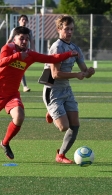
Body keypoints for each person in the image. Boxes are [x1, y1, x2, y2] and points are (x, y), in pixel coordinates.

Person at [0, 26, 79, 161]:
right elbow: (0, 63)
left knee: (19, 117)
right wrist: (17, 56)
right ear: (14, 39)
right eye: (21, 38)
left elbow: (51, 58)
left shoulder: (30, 54)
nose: (24, 41)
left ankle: (5, 143)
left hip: (12, 94)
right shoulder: (7, 48)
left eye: (27, 39)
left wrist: (69, 54)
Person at [39, 15, 95, 164]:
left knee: (75, 124)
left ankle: (61, 154)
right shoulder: (57, 47)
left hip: (66, 90)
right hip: (53, 90)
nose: (69, 32)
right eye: (66, 29)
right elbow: (55, 74)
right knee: (64, 127)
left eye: (71, 29)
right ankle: (52, 111)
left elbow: (83, 70)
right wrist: (77, 75)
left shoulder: (75, 48)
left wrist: (89, 72)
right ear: (59, 29)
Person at [7, 15, 35, 92]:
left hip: (24, 51)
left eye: (25, 20)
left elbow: (32, 41)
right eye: (22, 19)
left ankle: (24, 86)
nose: (24, 21)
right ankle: (24, 86)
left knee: (20, 67)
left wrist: (34, 52)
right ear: (19, 21)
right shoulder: (15, 30)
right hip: (15, 51)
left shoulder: (29, 31)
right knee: (17, 68)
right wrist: (5, 49)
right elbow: (10, 39)